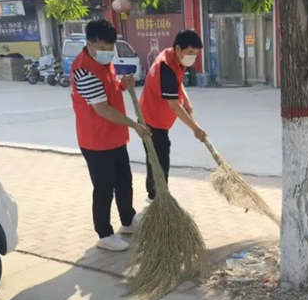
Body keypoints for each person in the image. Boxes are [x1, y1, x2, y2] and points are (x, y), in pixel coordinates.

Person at [71, 19, 150, 252]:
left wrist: (122, 85)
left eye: (110, 47)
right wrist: (135, 125)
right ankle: (104, 234)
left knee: (124, 181)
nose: (107, 52)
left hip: (115, 137)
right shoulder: (84, 70)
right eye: (102, 48)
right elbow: (103, 109)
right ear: (89, 43)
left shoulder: (104, 63)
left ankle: (128, 221)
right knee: (104, 188)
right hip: (96, 141)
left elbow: (109, 87)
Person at [139, 29, 207, 201]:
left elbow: (178, 83)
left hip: (155, 115)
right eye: (190, 52)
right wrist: (195, 128)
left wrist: (186, 99)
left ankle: (157, 193)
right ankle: (156, 197)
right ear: (178, 49)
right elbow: (174, 106)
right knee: (158, 159)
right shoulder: (166, 68)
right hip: (151, 118)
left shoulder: (171, 56)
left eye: (196, 53)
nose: (193, 57)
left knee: (157, 155)